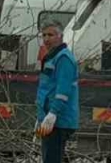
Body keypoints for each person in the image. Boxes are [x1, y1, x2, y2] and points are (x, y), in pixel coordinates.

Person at [35, 21, 79, 163]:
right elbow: (47, 89)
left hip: (58, 120)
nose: (46, 39)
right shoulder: (52, 57)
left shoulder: (63, 58)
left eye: (51, 35)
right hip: (49, 118)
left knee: (52, 159)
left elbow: (62, 91)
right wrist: (41, 116)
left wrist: (53, 113)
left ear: (60, 37)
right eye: (44, 35)